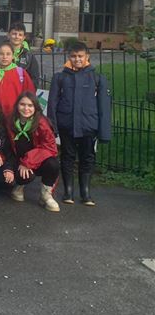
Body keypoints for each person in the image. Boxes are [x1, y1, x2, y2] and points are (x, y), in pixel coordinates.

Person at [47, 42, 111, 205]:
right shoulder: (60, 77)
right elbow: (52, 104)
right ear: (69, 57)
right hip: (67, 124)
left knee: (87, 158)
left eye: (80, 56)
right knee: (67, 157)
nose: (77, 59)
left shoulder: (98, 78)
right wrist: (52, 127)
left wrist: (104, 132)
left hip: (89, 125)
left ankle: (86, 192)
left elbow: (104, 107)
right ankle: (68, 192)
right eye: (74, 56)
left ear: (87, 57)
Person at [0, 92, 60, 212]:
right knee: (26, 176)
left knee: (53, 164)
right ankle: (19, 187)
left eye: (30, 105)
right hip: (16, 161)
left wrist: (28, 162)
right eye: (22, 104)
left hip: (33, 161)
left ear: (36, 107)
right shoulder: (10, 121)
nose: (26, 108)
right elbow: (6, 147)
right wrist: (9, 167)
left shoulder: (42, 123)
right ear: (17, 105)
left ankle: (46, 195)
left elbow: (51, 148)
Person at [0, 41, 35, 118]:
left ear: (13, 56)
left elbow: (30, 94)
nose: (5, 57)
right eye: (1, 54)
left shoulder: (20, 73)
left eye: (8, 54)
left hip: (15, 115)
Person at [7, 22, 41, 88]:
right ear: (8, 35)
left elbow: (35, 80)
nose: (17, 37)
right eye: (14, 34)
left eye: (20, 35)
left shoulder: (29, 57)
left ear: (23, 37)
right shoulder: (1, 53)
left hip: (22, 94)